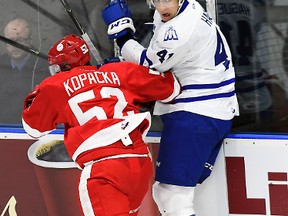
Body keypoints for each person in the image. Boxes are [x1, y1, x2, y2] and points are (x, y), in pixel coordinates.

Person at [102, 0, 239, 215]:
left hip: (194, 115)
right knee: (179, 193)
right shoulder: (188, 7)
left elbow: (149, 63)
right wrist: (125, 61)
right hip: (212, 112)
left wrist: (122, 34)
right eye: (157, 0)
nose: (161, 6)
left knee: (171, 195)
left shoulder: (179, 28)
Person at [22, 34, 180, 216]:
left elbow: (33, 128)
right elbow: (171, 88)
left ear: (64, 66)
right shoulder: (121, 71)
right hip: (139, 161)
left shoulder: (54, 85)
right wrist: (126, 67)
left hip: (104, 169)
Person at [0, 18, 49, 124]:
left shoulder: (46, 68)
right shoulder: (1, 65)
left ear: (30, 40)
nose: (15, 46)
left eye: (20, 41)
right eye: (9, 41)